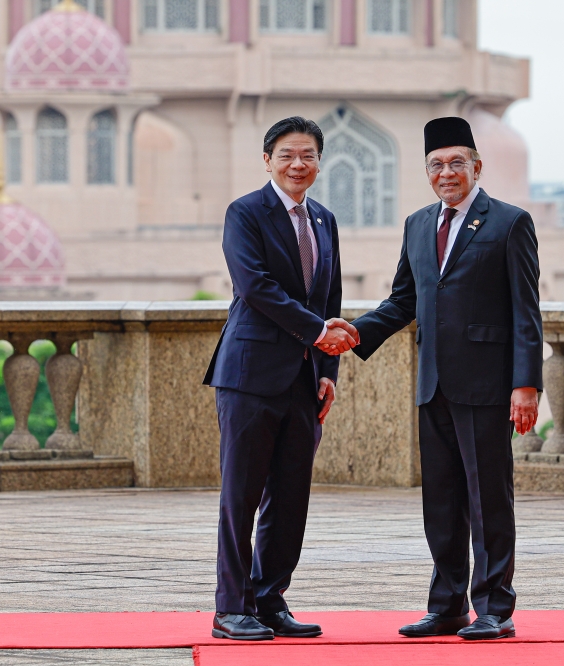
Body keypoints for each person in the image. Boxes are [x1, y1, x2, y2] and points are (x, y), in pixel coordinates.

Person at [344, 117, 543, 640]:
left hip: (487, 385)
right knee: (442, 501)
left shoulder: (509, 223)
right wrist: (355, 332)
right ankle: (448, 605)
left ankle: (495, 608)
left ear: (477, 167)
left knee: (488, 500)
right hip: (432, 383)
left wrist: (525, 385)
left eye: (457, 163)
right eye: (437, 164)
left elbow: (526, 311)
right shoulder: (417, 224)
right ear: (427, 172)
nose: (446, 172)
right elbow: (403, 301)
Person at [203, 116, 360, 641]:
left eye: (308, 155)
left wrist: (329, 369)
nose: (298, 164)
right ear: (268, 160)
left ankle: (270, 600)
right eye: (288, 155)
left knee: (291, 497)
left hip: (305, 377)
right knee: (242, 495)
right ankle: (231, 607)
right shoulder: (245, 212)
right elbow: (255, 286)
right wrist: (317, 333)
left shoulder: (324, 220)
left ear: (319, 162)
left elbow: (329, 297)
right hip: (249, 374)